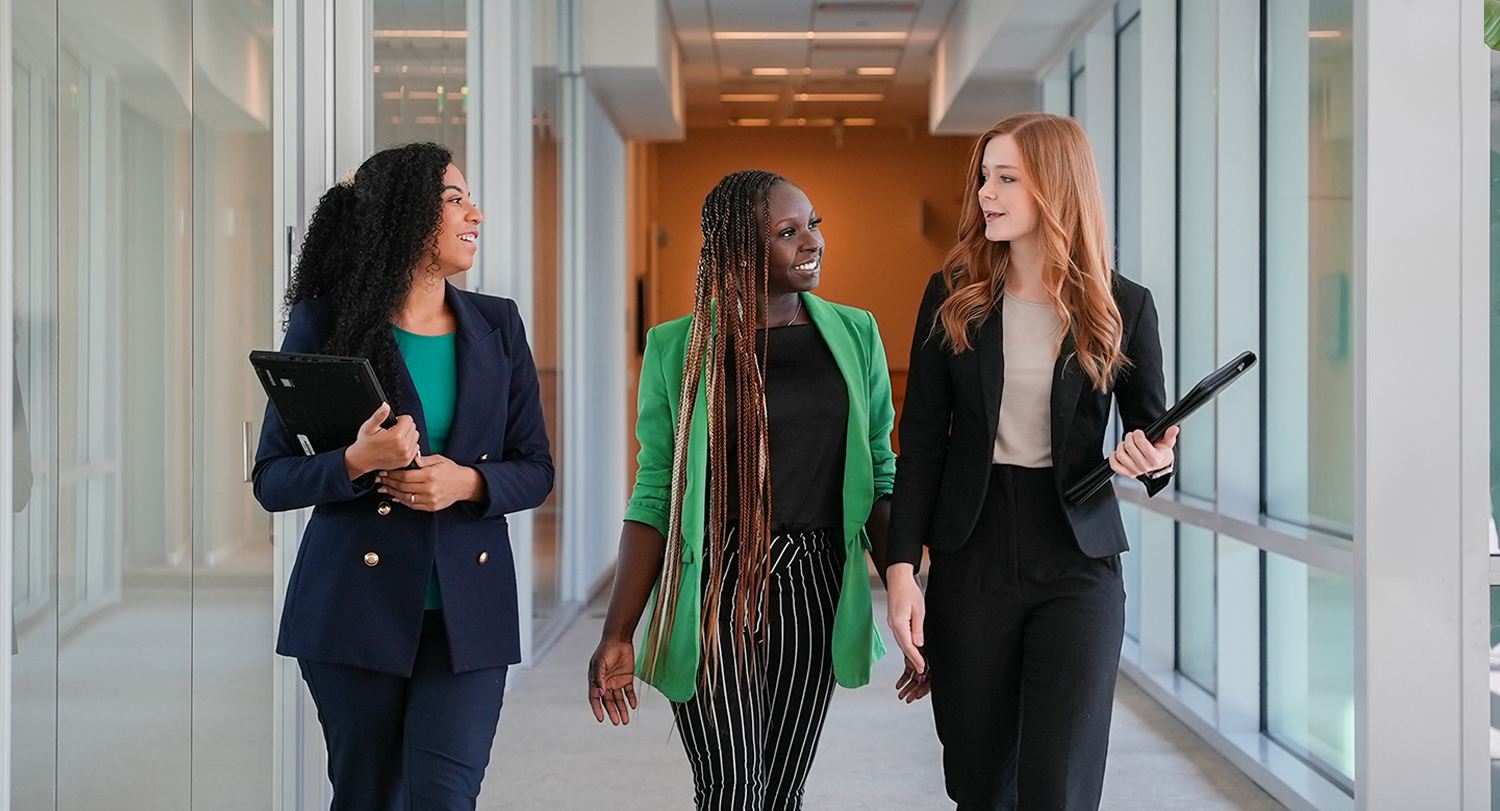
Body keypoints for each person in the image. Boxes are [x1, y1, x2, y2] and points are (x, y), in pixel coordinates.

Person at [885, 112, 1178, 811]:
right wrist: (901, 572)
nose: (987, 192)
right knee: (982, 786)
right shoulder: (952, 296)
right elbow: (921, 442)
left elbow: (1155, 436)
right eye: (985, 176)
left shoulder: (1123, 306)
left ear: (1056, 185)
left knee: (1060, 787)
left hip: (1077, 559)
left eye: (1007, 177)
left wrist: (1153, 457)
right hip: (972, 555)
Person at [252, 142, 553, 811]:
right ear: (402, 216)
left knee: (444, 796)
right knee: (368, 796)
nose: (474, 213)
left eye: (468, 198)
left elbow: (535, 468)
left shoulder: (497, 324)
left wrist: (467, 485)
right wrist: (357, 460)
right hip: (354, 610)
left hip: (468, 614)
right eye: (454, 200)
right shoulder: (326, 326)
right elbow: (273, 479)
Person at [587, 169, 895, 810]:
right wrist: (620, 629)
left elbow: (881, 472)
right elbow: (653, 496)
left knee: (781, 790)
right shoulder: (677, 349)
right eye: (788, 232)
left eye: (813, 224)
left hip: (816, 584)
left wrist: (910, 593)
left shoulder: (856, 335)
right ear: (740, 250)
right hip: (714, 584)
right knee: (730, 787)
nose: (811, 241)